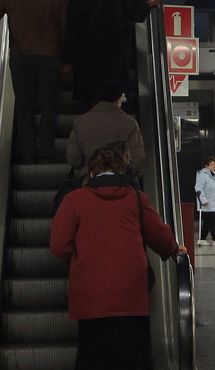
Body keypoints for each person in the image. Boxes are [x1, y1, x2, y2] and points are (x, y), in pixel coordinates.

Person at [49, 146, 184, 370]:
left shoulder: (74, 200)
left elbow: (58, 244)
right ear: (122, 170)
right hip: (131, 294)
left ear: (91, 172)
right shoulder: (137, 199)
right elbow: (158, 235)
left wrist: (82, 262)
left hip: (90, 295)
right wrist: (173, 248)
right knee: (133, 358)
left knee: (93, 358)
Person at [0, 0, 67, 163]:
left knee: (24, 106)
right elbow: (65, 28)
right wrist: (66, 60)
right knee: (48, 105)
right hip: (50, 57)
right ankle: (46, 152)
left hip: (20, 56)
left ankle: (27, 154)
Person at [62, 0, 157, 102]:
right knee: (113, 98)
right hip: (115, 56)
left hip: (87, 59)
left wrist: (67, 61)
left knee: (88, 99)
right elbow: (135, 14)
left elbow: (72, 32)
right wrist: (147, 5)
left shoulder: (76, 0)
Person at [66, 79, 146, 175]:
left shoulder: (80, 122)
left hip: (89, 178)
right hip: (119, 180)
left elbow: (74, 159)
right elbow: (137, 161)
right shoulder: (130, 123)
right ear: (119, 99)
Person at [195, 156, 215, 246]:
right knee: (211, 220)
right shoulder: (202, 175)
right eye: (211, 165)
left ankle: (202, 238)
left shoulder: (212, 176)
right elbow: (198, 188)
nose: (213, 166)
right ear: (206, 166)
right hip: (206, 203)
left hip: (212, 202)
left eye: (214, 164)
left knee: (207, 221)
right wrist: (203, 200)